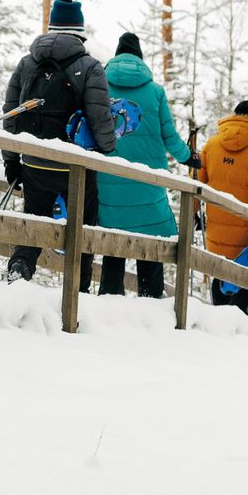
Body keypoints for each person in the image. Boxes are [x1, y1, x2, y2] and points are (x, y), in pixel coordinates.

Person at [1, 0, 115, 288]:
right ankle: (78, 289)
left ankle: (19, 269)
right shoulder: (90, 67)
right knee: (83, 227)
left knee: (33, 223)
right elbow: (100, 119)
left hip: (34, 160)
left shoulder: (27, 64)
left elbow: (11, 117)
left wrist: (12, 163)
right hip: (75, 166)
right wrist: (106, 151)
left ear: (51, 27)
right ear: (79, 31)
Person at [94, 32, 196, 298]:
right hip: (149, 182)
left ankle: (108, 301)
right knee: (151, 245)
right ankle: (151, 306)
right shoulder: (156, 92)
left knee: (113, 245)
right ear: (140, 58)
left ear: (116, 57)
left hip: (109, 181)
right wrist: (188, 157)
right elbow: (169, 137)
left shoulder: (101, 87)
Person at [198, 99, 248, 310]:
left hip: (216, 232)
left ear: (233, 116)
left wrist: (195, 214)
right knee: (245, 286)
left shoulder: (211, 146)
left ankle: (216, 332)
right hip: (247, 239)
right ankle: (238, 337)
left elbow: (196, 183)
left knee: (220, 279)